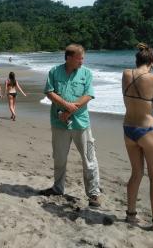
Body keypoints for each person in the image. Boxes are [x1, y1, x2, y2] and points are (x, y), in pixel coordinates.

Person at [39, 44, 101, 208]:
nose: (82, 61)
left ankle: (93, 194)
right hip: (59, 123)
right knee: (59, 158)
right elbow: (49, 92)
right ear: (69, 57)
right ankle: (58, 188)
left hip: (82, 124)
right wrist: (66, 106)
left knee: (89, 158)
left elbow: (88, 95)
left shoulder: (86, 73)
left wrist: (69, 111)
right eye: (79, 58)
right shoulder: (54, 71)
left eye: (82, 58)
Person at [122, 43, 153, 230]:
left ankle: (131, 215)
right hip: (147, 130)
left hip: (128, 129)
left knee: (136, 174)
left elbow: (140, 97)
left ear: (137, 60)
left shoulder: (126, 74)